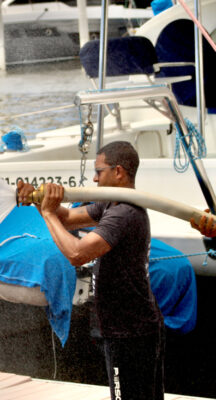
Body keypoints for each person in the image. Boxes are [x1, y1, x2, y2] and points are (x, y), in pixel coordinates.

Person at [17, 141, 165, 400]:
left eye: (99, 171)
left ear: (118, 172)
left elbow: (77, 254)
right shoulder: (111, 204)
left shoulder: (124, 214)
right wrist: (38, 200)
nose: (94, 178)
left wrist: (48, 214)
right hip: (133, 328)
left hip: (128, 332)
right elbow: (67, 219)